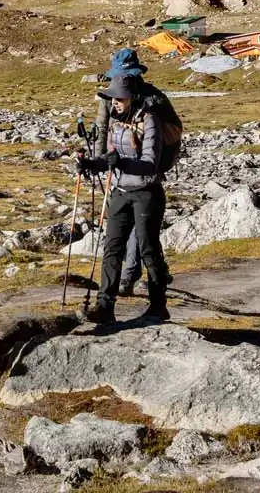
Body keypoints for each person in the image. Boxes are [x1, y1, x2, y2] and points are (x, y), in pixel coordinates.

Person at [78, 74, 170, 324]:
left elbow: (150, 165)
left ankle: (158, 306)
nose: (114, 102)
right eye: (112, 98)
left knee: (148, 249)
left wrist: (121, 162)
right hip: (120, 191)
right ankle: (104, 307)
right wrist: (91, 164)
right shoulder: (117, 121)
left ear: (132, 98)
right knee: (112, 248)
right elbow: (110, 157)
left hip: (146, 193)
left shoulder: (150, 121)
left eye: (118, 98)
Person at [94, 49, 149, 296]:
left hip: (144, 175)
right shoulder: (109, 98)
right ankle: (118, 286)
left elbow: (154, 148)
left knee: (140, 230)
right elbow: (101, 129)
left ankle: (130, 275)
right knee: (122, 230)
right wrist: (98, 162)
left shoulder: (150, 101)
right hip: (117, 171)